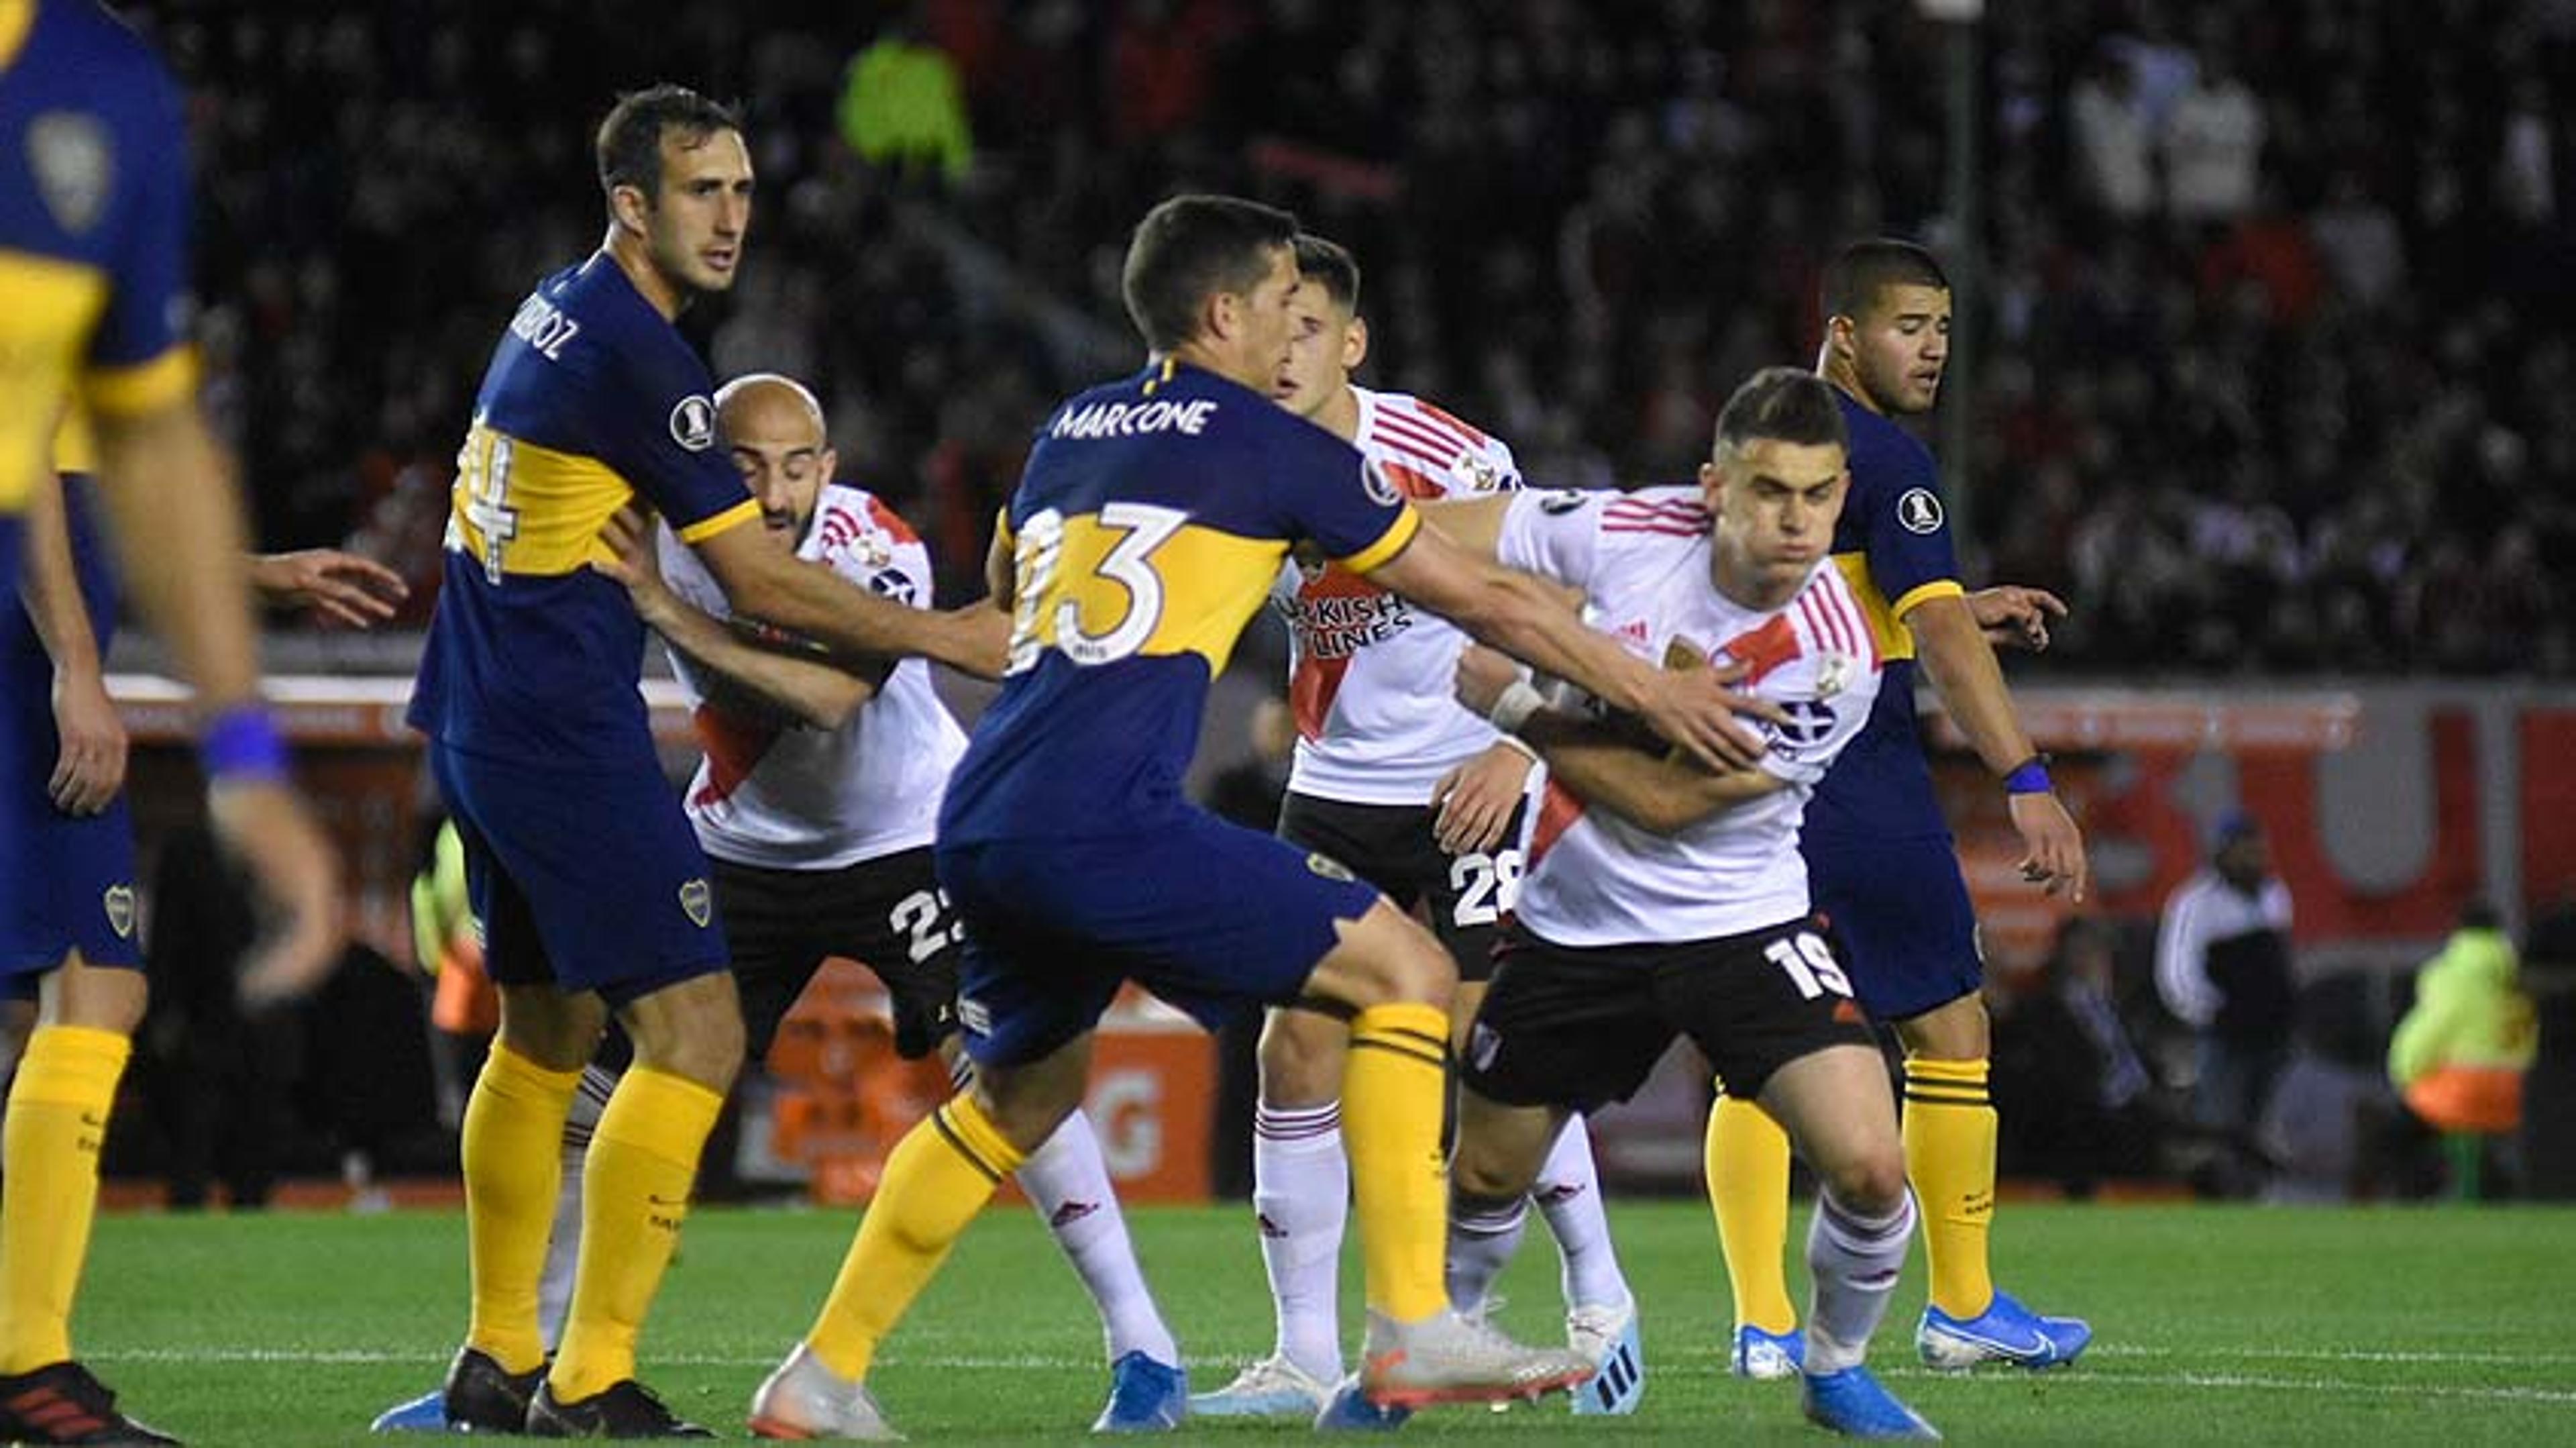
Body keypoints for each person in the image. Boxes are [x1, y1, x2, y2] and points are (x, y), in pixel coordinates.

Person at [743, 193, 1774, 1440]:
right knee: (1398, 969)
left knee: (1015, 1099)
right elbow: (1493, 598)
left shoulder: (1074, 422)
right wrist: (1651, 686)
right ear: (1225, 312)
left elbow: (1014, 578)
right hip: (1107, 816)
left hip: (987, 807)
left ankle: (822, 1372)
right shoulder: (1272, 446)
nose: (1299, 333)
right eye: (1286, 305)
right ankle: (1412, 1322)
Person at [371, 372, 1187, 1433]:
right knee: (603, 1089)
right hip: (744, 849)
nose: (776, 490)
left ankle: (1144, 1349)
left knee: (1010, 1077)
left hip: (907, 833)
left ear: (829, 469)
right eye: (749, 466)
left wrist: (666, 614)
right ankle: (532, 1366)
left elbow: (828, 698)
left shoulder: (870, 545)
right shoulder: (662, 527)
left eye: (799, 464)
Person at [405, 85, 1002, 1439]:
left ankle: (500, 1353)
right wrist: (948, 629)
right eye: (701, 192)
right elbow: (754, 571)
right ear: (632, 204)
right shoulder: (640, 355)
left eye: (741, 189)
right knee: (699, 1031)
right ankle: (592, 1375)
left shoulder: (556, 303)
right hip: (562, 727)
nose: (732, 216)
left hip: (478, 708)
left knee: (546, 1028)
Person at [1434, 365, 1936, 1438]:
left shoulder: (1834, 656)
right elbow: (1445, 532)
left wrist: (1518, 702)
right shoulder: (1631, 527)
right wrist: (1359, 538)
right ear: (1714, 485)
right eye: (1768, 491)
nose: (1794, 521)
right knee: (1483, 1173)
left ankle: (1834, 1366)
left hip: (1741, 918)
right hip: (1577, 918)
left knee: (1870, 1161)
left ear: (1842, 493)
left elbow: (1667, 804)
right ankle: (1429, 1345)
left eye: (1816, 494)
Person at [1193, 234, 1640, 1423]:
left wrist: (1518, 743)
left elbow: (1559, 589)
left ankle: (1600, 1294)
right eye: (1267, 328)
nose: (1283, 354)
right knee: (1296, 1047)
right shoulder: (1234, 455)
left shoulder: (1440, 453)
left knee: (1494, 1048)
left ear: (1352, 342)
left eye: (1308, 333)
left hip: (1468, 780)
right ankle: (1298, 1352)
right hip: (1335, 789)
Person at [4, 9, 348, 1438]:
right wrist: (81, 667)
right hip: (34, 651)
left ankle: (26, 1358)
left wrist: (247, 733)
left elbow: (110, 456)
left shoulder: (100, 85)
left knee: (87, 987)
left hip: (28, 639)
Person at [1705, 240, 2094, 1379]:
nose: (1932, 349)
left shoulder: (1761, 434)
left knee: (1756, 1042)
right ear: (1844, 331)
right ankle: (1963, 1305)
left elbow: (1807, 594)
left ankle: (1761, 1323)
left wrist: (1959, 604)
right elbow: (1930, 644)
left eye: (1943, 328)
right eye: (1909, 325)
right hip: (1857, 763)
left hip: (1747, 760)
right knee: (1949, 1025)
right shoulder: (1888, 457)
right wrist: (2027, 780)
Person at [2155, 808, 2295, 1196]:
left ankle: (2258, 1197)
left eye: (2256, 847)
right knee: (2219, 1121)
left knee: (2262, 1122)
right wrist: (2213, 1014)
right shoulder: (2196, 902)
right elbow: (2178, 973)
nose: (2252, 855)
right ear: (2223, 851)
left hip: (2272, 1031)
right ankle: (2218, 1196)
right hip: (2225, 1033)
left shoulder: (2273, 894)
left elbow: (2278, 959)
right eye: (2243, 848)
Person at [2387, 902, 2538, 1200]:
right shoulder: (2518, 974)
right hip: (2520, 1095)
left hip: (2463, 1094)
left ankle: (2417, 1199)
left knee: (2399, 1135)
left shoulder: (2450, 975)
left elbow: (2428, 1033)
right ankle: (2498, 1188)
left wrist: (2403, 1073)